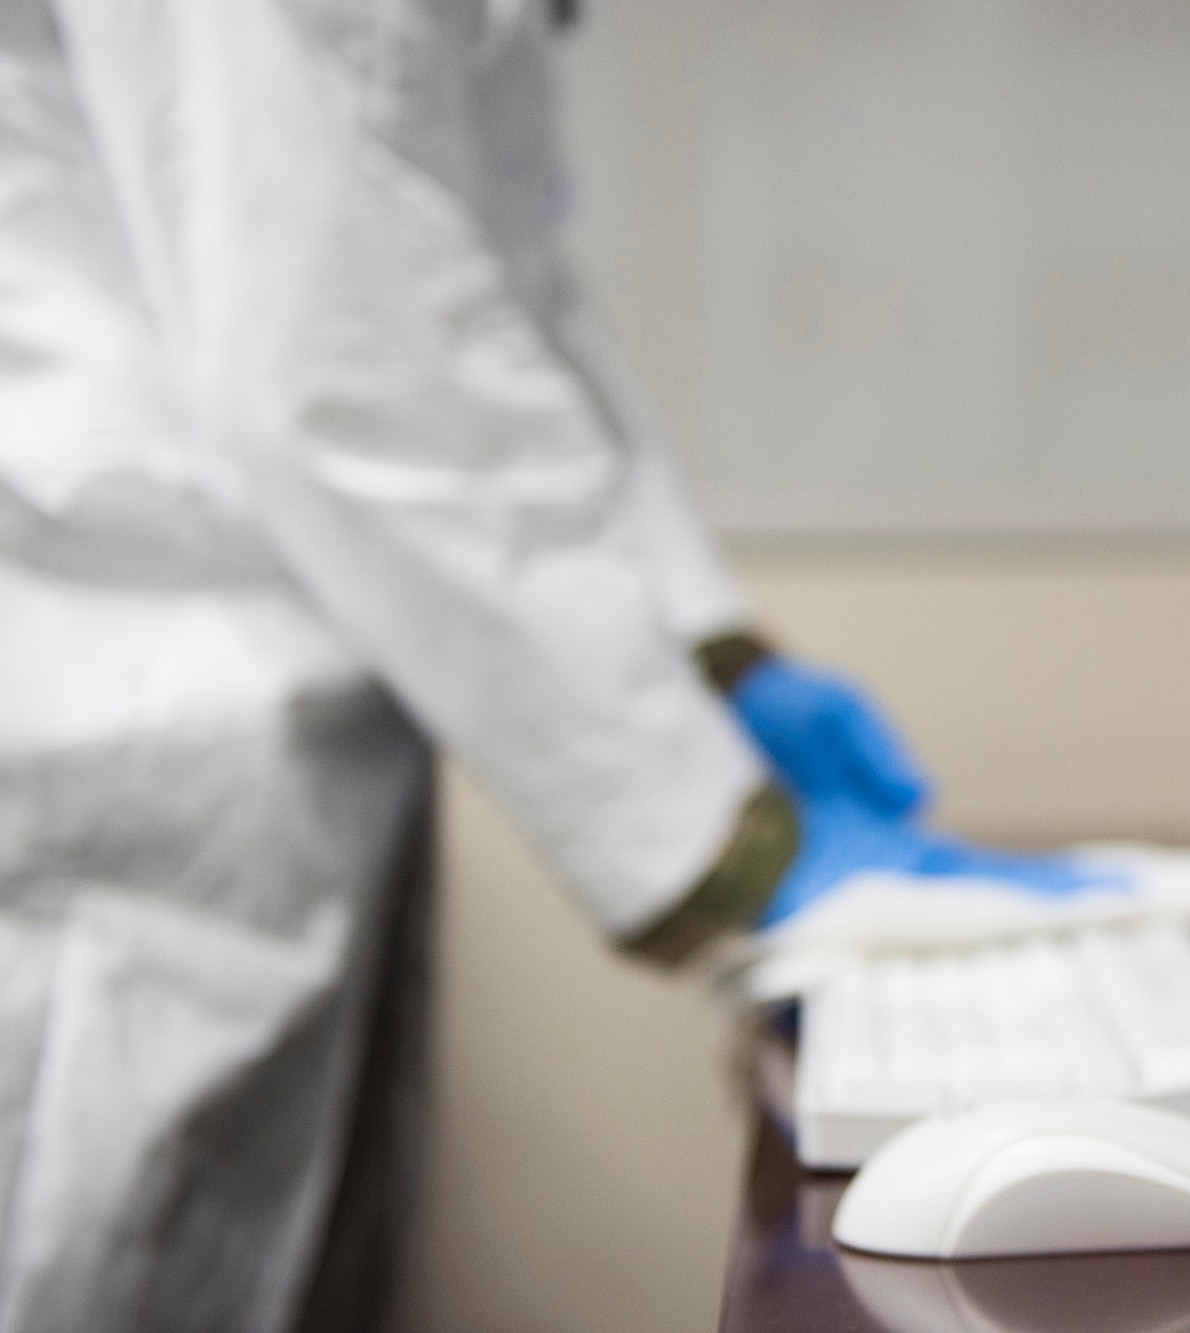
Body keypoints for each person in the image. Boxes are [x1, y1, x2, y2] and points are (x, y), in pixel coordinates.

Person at [0, 0, 1106, 1327]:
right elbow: (339, 348)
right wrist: (724, 838)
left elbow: (488, 280)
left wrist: (713, 650)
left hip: (268, 708)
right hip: (120, 710)